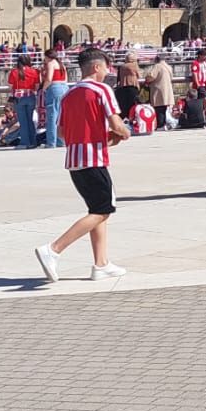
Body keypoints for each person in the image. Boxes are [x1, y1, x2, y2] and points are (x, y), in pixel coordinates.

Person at [35, 46, 133, 283]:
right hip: (94, 160)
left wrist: (103, 140)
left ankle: (101, 263)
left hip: (75, 160)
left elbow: (62, 132)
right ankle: (54, 249)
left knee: (97, 210)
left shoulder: (69, 94)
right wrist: (124, 133)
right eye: (106, 68)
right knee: (103, 209)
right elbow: (116, 123)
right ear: (97, 67)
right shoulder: (102, 90)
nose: (107, 73)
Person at [8, 53, 42, 148]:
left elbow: (10, 86)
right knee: (30, 120)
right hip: (31, 96)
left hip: (19, 97)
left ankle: (25, 142)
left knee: (23, 121)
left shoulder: (14, 72)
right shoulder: (34, 71)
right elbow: (37, 86)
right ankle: (33, 141)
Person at [41, 45, 71, 149]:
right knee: (62, 116)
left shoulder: (50, 63)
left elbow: (49, 78)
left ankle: (51, 142)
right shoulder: (61, 64)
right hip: (64, 88)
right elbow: (66, 78)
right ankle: (61, 140)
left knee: (52, 116)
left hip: (54, 87)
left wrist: (44, 88)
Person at [144, 51, 176, 123]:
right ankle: (163, 123)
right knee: (163, 108)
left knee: (159, 109)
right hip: (167, 90)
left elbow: (151, 76)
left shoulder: (157, 66)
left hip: (158, 90)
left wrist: (146, 78)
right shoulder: (168, 66)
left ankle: (160, 124)